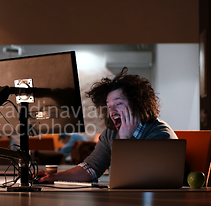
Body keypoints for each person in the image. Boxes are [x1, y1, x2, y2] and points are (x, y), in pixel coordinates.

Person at [37, 68, 177, 183]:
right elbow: (91, 168)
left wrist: (125, 140)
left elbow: (132, 179)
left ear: (137, 104)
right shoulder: (111, 133)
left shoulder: (160, 135)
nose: (112, 111)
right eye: (109, 106)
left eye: (118, 103)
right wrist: (55, 177)